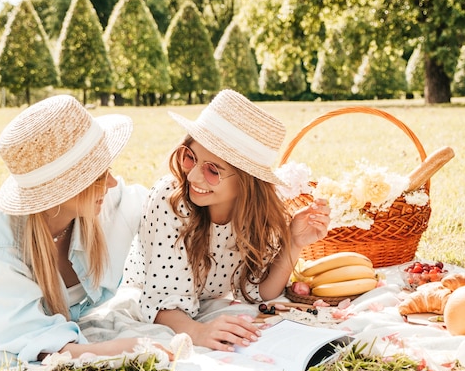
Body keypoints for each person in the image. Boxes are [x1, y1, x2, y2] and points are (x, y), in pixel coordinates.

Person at [0, 95, 149, 363]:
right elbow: (31, 338)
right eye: (96, 176)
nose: (110, 183)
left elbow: (163, 210)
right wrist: (120, 349)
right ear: (61, 190)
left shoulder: (108, 201)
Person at [125, 89, 330, 352]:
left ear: (247, 181)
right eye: (190, 157)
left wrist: (294, 242)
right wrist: (198, 331)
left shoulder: (259, 214)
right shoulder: (170, 200)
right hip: (147, 291)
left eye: (213, 170)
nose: (193, 177)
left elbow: (259, 291)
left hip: (203, 299)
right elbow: (160, 304)